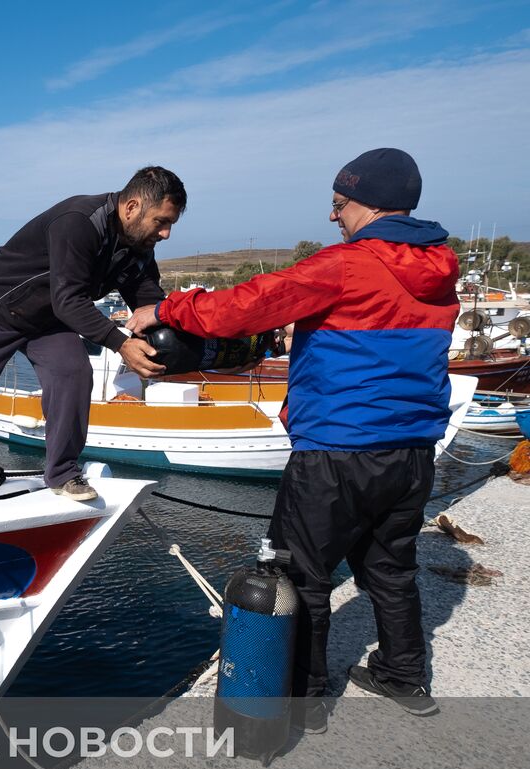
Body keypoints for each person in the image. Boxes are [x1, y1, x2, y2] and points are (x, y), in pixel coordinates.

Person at [127, 148, 457, 731]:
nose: (333, 217)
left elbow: (244, 307)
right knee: (391, 567)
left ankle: (304, 700)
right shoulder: (440, 267)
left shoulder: (348, 265)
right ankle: (404, 677)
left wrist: (166, 307)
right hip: (413, 450)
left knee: (301, 575)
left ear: (370, 204)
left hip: (337, 448)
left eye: (339, 204)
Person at [0, 167, 179, 502]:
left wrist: (180, 341)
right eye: (161, 221)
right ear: (133, 207)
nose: (166, 233)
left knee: (74, 373)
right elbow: (68, 299)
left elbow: (149, 302)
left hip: (48, 318)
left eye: (171, 224)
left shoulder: (138, 247)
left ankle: (63, 474)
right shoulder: (79, 221)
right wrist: (121, 343)